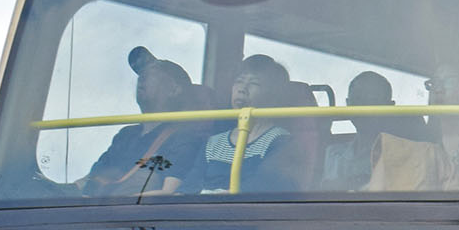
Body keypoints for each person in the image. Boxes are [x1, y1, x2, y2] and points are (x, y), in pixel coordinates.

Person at [77, 47, 207, 196]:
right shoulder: (126, 134)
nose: (141, 78)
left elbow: (167, 193)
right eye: (141, 76)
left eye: (153, 74)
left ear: (174, 90)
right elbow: (91, 179)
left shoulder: (184, 137)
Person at [189, 53, 299, 192]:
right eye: (239, 81)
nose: (242, 89)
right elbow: (189, 187)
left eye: (254, 83)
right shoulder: (214, 142)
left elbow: (264, 188)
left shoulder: (281, 141)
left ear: (273, 96)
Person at [323, 70, 430, 189]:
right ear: (348, 103)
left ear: (390, 107)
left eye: (373, 100)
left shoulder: (402, 156)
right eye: (358, 100)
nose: (363, 107)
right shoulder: (333, 154)